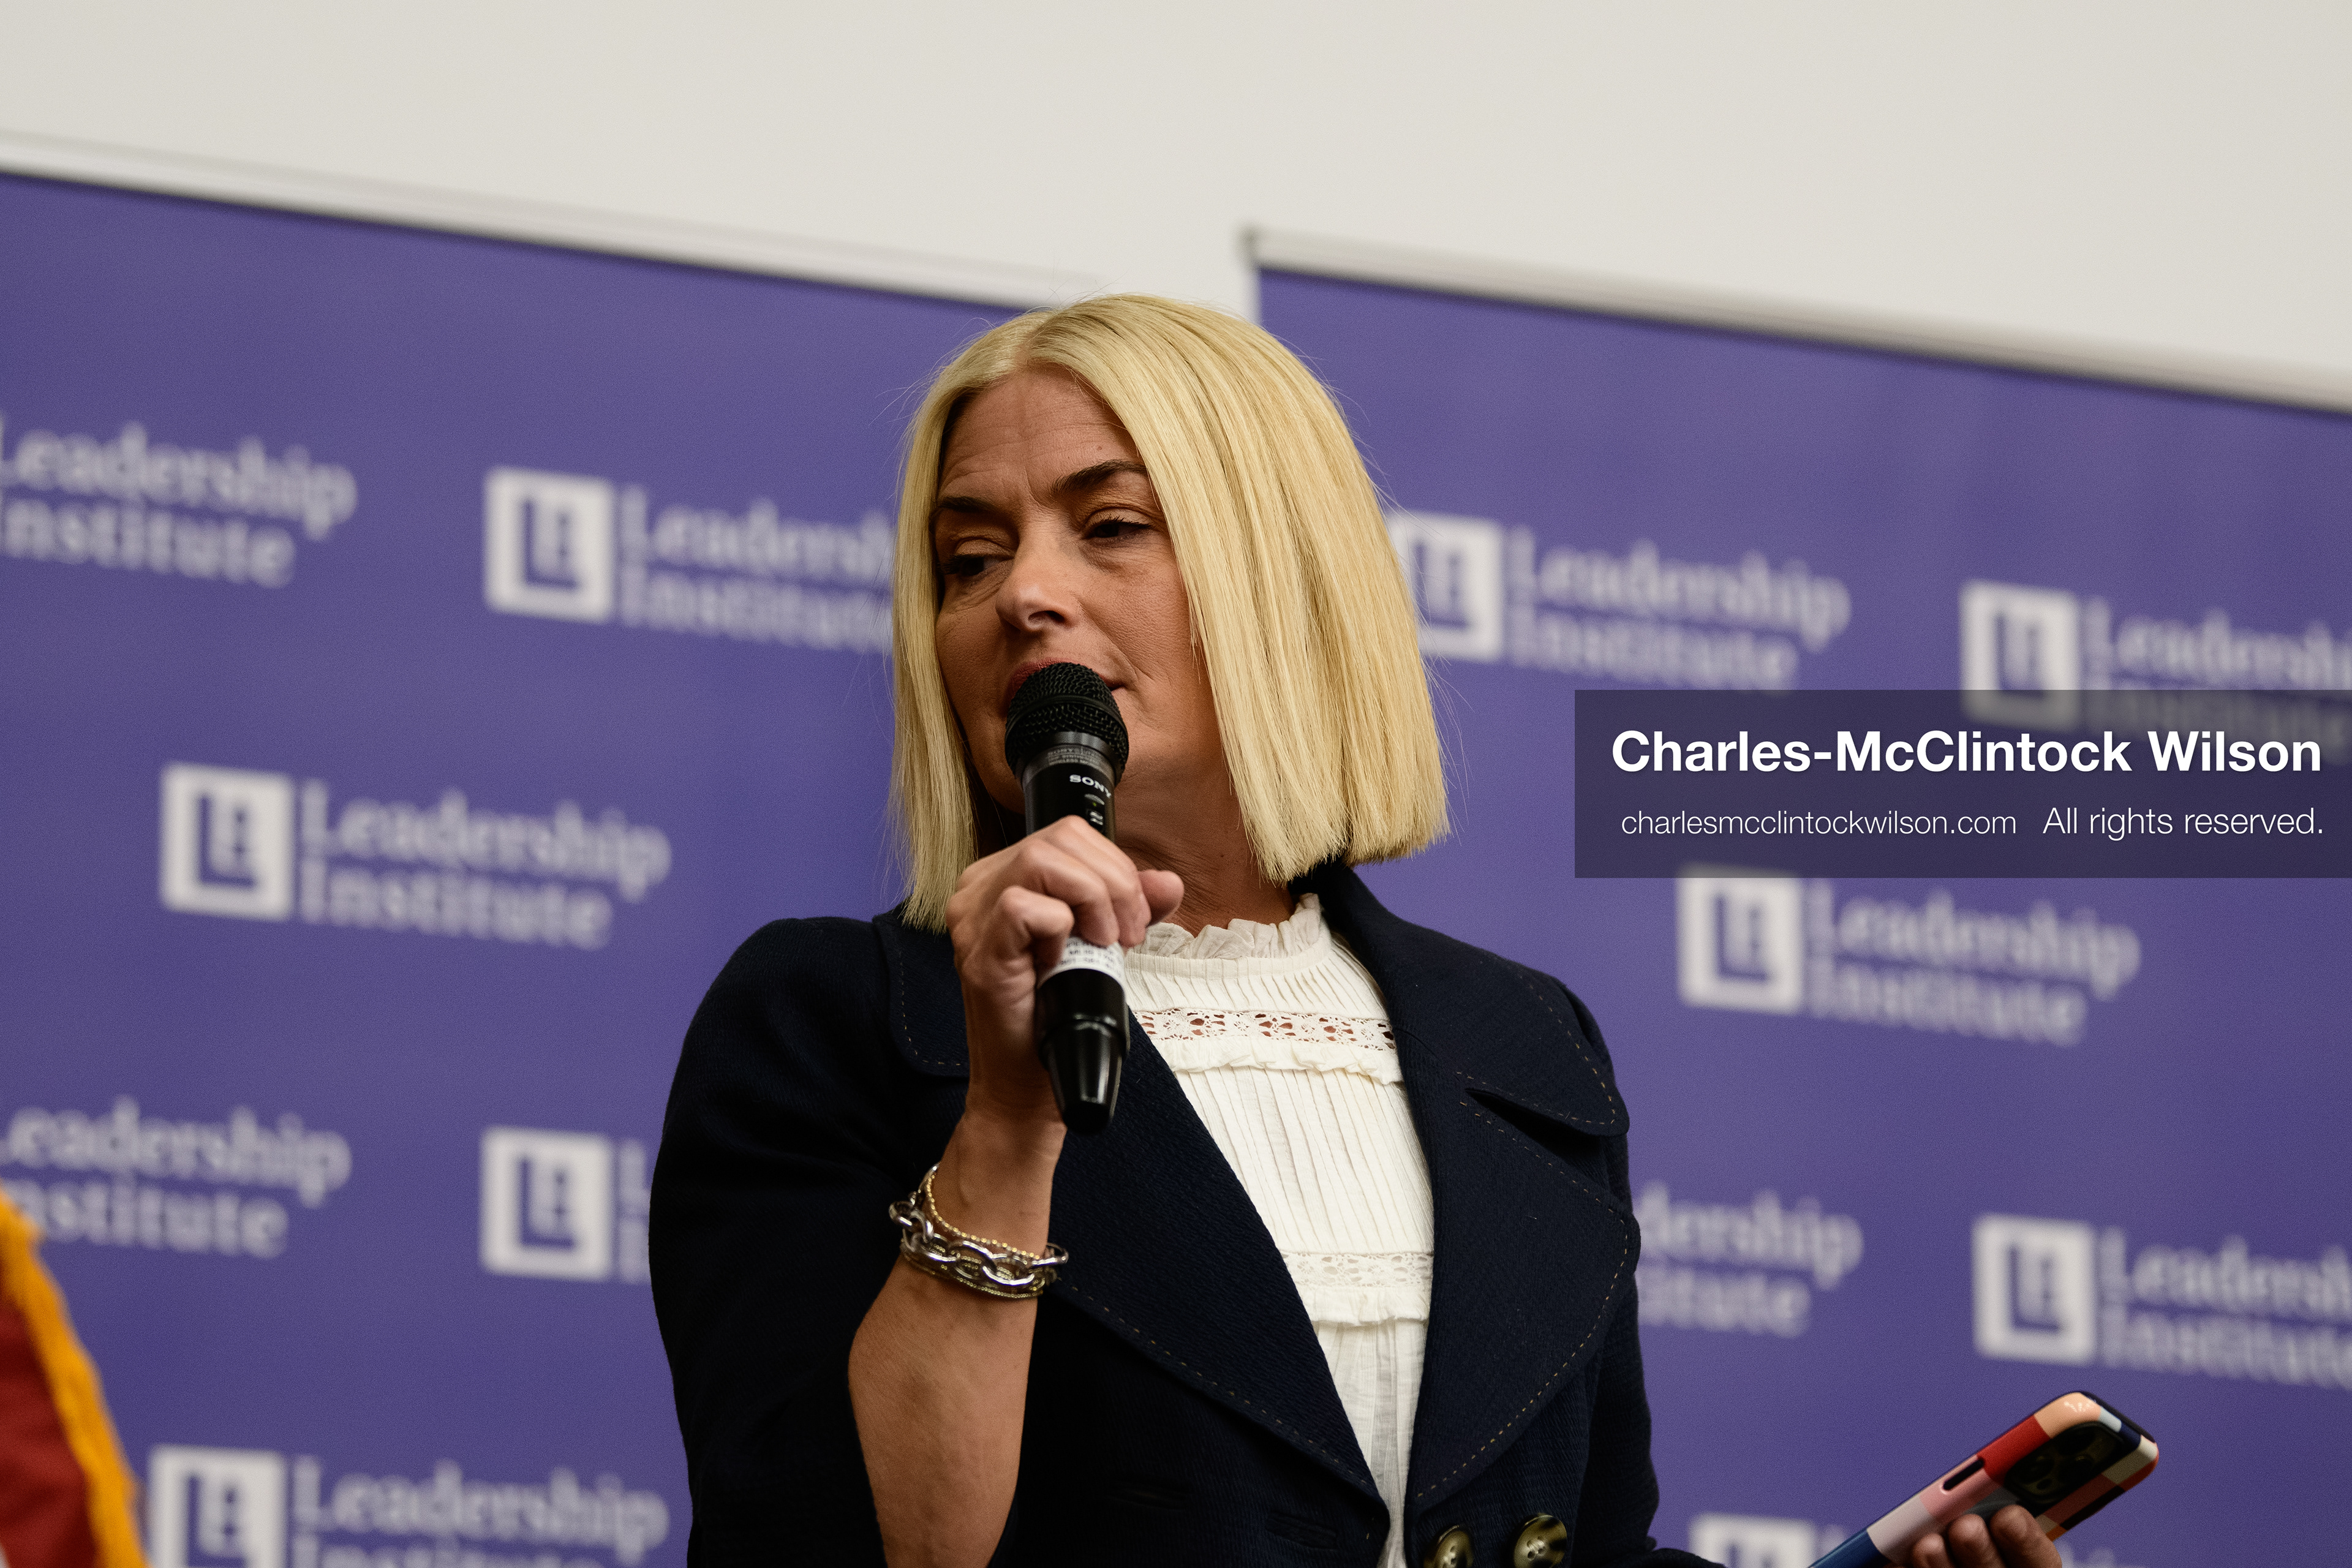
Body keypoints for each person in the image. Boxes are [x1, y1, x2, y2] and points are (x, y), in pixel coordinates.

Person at [649, 296, 2060, 1568]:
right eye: (969, 556)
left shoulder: (1525, 1039)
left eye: (1111, 525)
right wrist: (1007, 1127)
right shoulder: (833, 1017)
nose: (1022, 592)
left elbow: (1586, 1540)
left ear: (1282, 577)